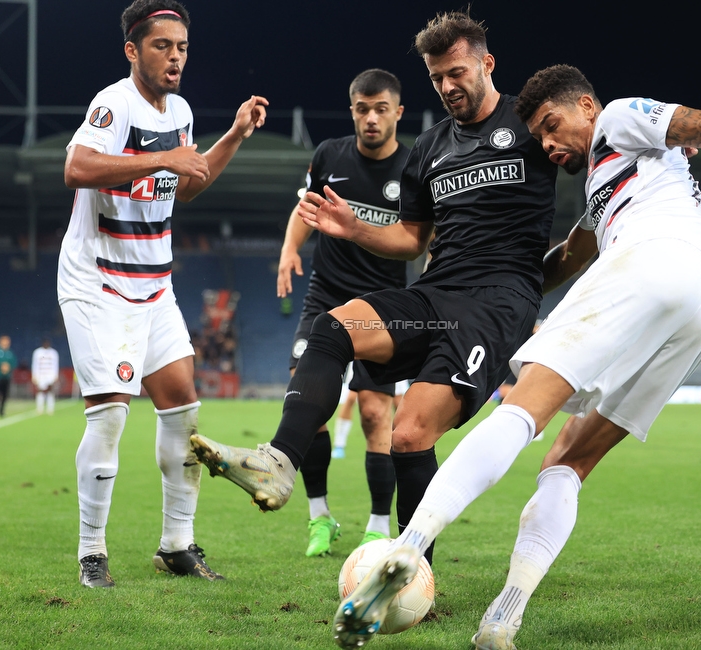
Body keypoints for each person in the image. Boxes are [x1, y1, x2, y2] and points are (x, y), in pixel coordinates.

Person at [337, 63, 701, 650]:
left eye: (551, 126)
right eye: (539, 137)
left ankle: (407, 551)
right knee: (567, 462)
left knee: (521, 411)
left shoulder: (619, 117)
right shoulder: (606, 185)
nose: (547, 145)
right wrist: (499, 286)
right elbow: (572, 254)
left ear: (587, 107)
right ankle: (503, 618)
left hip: (653, 259)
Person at [189, 9, 557, 582]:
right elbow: (412, 238)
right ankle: (279, 462)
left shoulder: (530, 123)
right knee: (332, 327)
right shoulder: (430, 146)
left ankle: (417, 577)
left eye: (457, 72)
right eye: (437, 78)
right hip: (435, 294)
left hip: (495, 305)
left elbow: (591, 143)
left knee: (407, 433)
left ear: (487, 64)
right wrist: (352, 227)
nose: (448, 86)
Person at [59, 0, 267, 588]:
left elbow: (185, 186)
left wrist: (232, 135)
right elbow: (76, 168)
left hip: (155, 283)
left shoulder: (180, 110)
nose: (174, 56)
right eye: (161, 46)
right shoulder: (114, 103)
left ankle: (177, 544)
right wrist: (164, 157)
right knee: (109, 419)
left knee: (183, 410)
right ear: (133, 50)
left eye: (181, 47)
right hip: (99, 282)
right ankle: (91, 552)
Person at [267, 68, 410, 558]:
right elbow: (304, 207)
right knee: (309, 405)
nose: (371, 118)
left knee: (374, 413)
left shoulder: (414, 168)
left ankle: (376, 525)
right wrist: (290, 250)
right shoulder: (329, 154)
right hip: (325, 297)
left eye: (380, 109)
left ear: (397, 112)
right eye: (361, 108)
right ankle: (319, 517)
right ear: (352, 110)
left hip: (383, 305)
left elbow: (426, 236)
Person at [31, 338, 60, 415]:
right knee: (40, 391)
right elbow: (35, 365)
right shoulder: (37, 352)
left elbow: (55, 365)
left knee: (50, 391)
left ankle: (50, 409)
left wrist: (55, 375)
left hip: (50, 375)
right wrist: (34, 375)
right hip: (41, 375)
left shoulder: (54, 353)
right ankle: (39, 409)